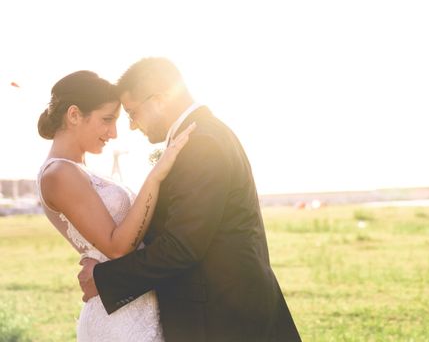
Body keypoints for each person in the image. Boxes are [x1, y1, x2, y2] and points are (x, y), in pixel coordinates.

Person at [78, 57, 301, 341]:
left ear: (158, 100)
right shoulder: (198, 135)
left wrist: (104, 278)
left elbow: (182, 245)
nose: (132, 126)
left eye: (133, 113)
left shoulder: (202, 143)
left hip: (225, 319)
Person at [36, 70, 195, 341]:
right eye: (107, 120)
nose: (113, 132)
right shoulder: (58, 174)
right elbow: (117, 247)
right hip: (117, 320)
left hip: (134, 302)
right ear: (74, 115)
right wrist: (156, 176)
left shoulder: (80, 170)